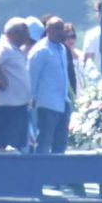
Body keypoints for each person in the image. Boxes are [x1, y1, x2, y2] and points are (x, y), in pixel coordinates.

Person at [27, 16, 73, 154]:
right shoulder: (40, 50)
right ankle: (40, 171)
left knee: (61, 141)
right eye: (57, 29)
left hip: (63, 101)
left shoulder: (63, 49)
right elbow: (31, 75)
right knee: (44, 141)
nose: (61, 32)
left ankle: (58, 172)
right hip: (47, 103)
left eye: (62, 29)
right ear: (48, 30)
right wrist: (32, 99)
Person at [0, 18, 33, 152]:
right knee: (4, 142)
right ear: (13, 34)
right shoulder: (4, 47)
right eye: (23, 34)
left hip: (18, 104)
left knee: (17, 144)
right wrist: (2, 79)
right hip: (8, 105)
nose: (26, 38)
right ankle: (1, 168)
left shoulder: (14, 49)